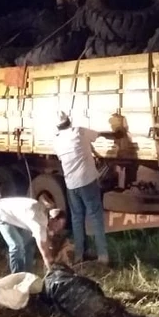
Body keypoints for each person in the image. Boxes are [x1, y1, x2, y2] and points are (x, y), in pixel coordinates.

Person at [52, 111, 124, 266]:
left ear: (57, 126)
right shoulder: (79, 131)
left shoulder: (56, 141)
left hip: (71, 185)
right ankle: (103, 256)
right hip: (87, 181)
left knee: (77, 219)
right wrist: (116, 134)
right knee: (96, 217)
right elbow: (99, 135)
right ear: (69, 121)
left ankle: (79, 256)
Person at [0, 196, 67, 274]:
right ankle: (17, 276)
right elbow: (46, 256)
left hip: (15, 214)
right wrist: (53, 272)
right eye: (57, 226)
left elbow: (46, 240)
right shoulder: (38, 224)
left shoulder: (45, 213)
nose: (57, 230)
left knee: (29, 244)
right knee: (17, 245)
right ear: (52, 219)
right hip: (0, 213)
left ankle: (28, 274)